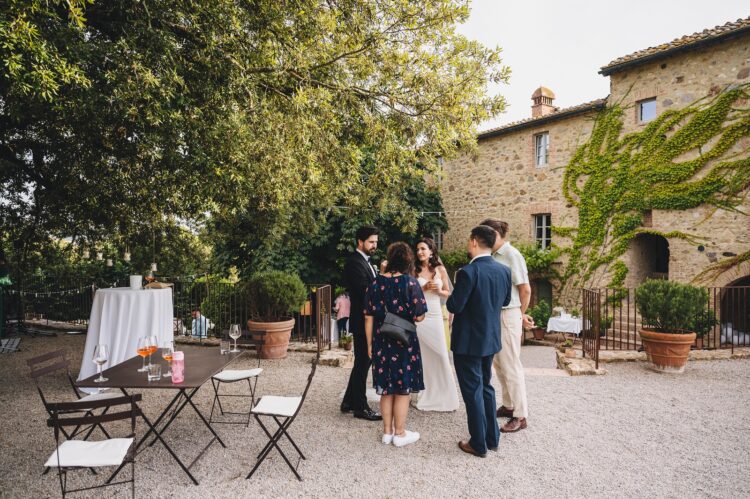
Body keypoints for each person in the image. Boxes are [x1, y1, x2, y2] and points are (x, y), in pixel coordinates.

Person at [447, 225, 511, 457]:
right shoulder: (504, 271)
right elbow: (504, 300)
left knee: (472, 391)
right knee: (486, 387)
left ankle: (478, 443)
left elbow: (454, 305)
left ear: (474, 241)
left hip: (468, 342)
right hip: (490, 339)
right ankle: (493, 438)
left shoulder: (468, 272)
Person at [365, 242, 427, 446]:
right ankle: (399, 434)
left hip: (381, 342)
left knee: (386, 387)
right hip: (404, 343)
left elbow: (368, 317)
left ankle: (386, 432)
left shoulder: (376, 283)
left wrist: (369, 345)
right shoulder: (411, 283)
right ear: (408, 260)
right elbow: (419, 317)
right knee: (402, 388)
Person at [481, 218, 533, 433]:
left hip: (508, 313)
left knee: (511, 365)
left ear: (495, 233)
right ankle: (509, 405)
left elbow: (525, 289)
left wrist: (519, 315)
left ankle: (521, 416)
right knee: (499, 364)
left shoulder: (512, 255)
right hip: (496, 314)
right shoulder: (493, 255)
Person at [340, 226, 382, 421]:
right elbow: (366, 293)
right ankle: (360, 407)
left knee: (362, 362)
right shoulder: (354, 263)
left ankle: (349, 401)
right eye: (371, 242)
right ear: (360, 242)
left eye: (376, 242)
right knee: (363, 363)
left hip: (367, 320)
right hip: (361, 321)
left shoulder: (366, 262)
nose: (375, 245)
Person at [413, 237, 459, 412]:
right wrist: (422, 289)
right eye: (418, 249)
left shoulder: (440, 269)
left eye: (423, 249)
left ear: (431, 251)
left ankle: (446, 396)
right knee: (423, 357)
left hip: (436, 316)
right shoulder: (413, 270)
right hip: (420, 317)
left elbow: (448, 293)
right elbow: (408, 293)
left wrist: (439, 291)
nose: (420, 252)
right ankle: (425, 392)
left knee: (441, 354)